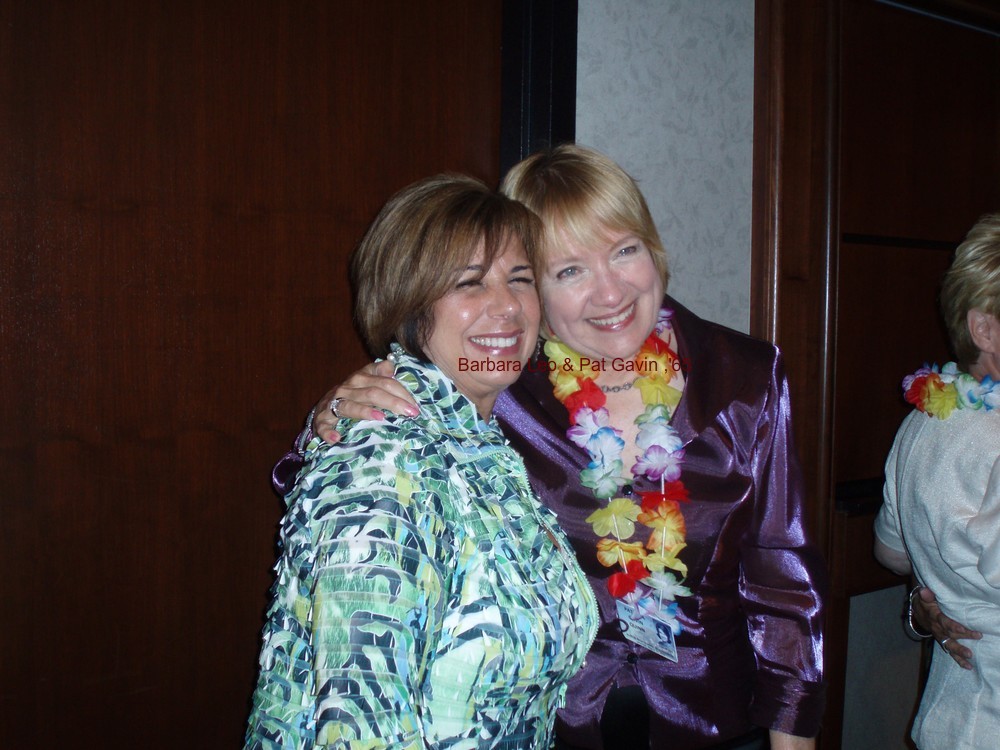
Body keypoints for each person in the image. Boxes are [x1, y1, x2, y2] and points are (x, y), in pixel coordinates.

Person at [278, 146, 826, 749]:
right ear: (537, 288)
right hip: (555, 723)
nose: (610, 293)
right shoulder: (503, 378)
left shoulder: (744, 377)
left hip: (714, 717)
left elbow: (783, 573)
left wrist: (791, 736)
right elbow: (368, 488)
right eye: (569, 271)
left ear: (654, 249)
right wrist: (332, 415)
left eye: (625, 250)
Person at [246, 174, 598, 749]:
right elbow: (361, 727)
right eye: (469, 283)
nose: (508, 306)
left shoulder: (484, 438)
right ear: (408, 304)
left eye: (519, 279)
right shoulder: (383, 464)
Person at [874, 213, 1000, 750]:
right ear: (984, 329)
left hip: (951, 716)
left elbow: (891, 553)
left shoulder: (922, 421)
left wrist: (934, 600)